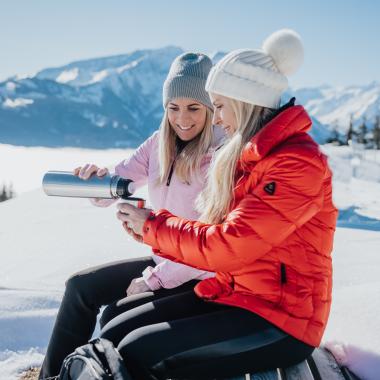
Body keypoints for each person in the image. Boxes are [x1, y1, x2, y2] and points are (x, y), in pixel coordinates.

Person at [103, 29, 338, 380]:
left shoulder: (294, 164)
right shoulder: (251, 157)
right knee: (116, 329)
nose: (215, 119)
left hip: (282, 319)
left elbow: (229, 246)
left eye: (221, 106)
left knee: (139, 351)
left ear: (245, 102)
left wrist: (153, 225)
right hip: (235, 293)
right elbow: (216, 234)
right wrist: (148, 229)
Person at [39, 52, 223, 379]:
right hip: (166, 262)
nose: (182, 118)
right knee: (80, 288)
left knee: (115, 316)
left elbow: (210, 248)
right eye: (173, 107)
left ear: (210, 109)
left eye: (194, 108)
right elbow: (119, 181)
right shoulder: (158, 144)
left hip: (201, 275)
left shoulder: (219, 157)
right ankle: (54, 376)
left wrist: (152, 280)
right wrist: (97, 179)